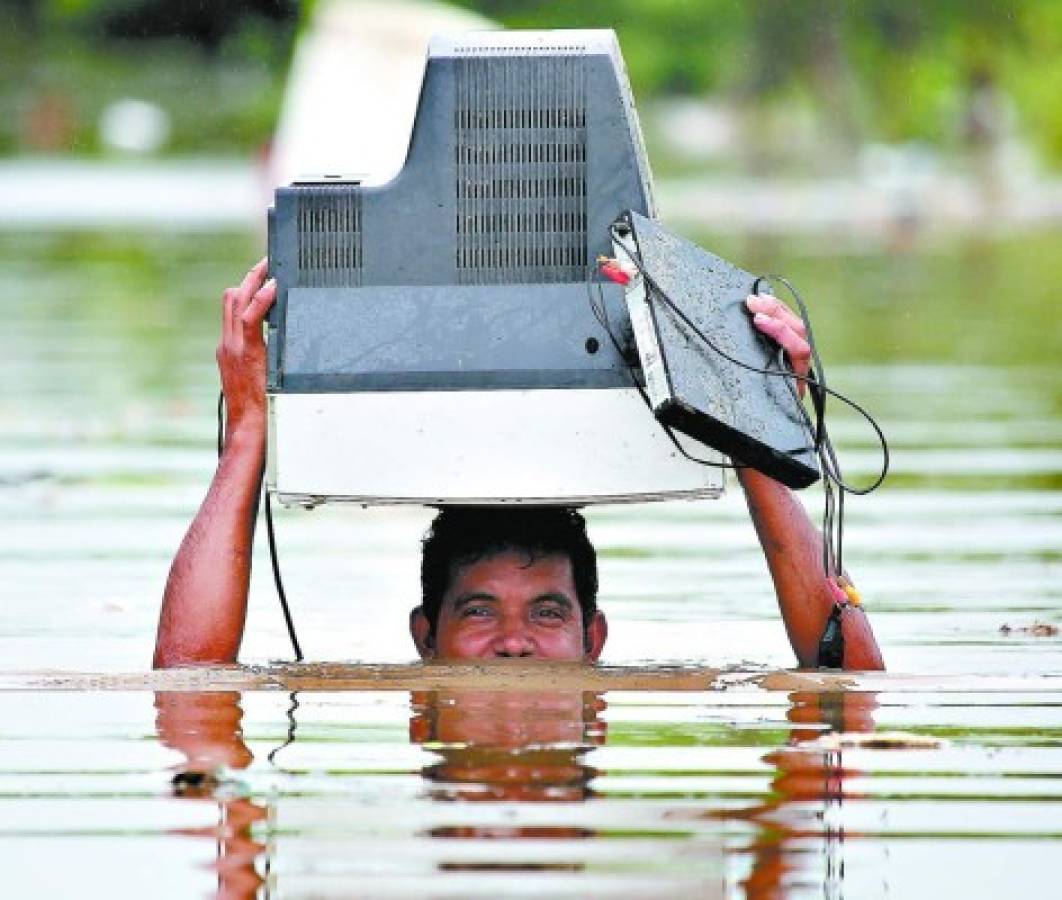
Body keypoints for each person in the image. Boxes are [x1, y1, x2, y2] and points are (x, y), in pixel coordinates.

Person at [153, 259, 884, 671]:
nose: (513, 642)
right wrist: (247, 429)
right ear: (423, 639)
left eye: (548, 613)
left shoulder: (664, 686)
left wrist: (753, 427)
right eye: (478, 611)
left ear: (594, 641)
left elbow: (850, 695)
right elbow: (187, 692)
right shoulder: (360, 684)